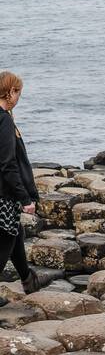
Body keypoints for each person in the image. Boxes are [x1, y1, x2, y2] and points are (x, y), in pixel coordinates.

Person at [0, 71, 44, 303]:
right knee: (5, 242)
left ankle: (28, 279)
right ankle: (29, 280)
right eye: (18, 92)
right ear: (11, 92)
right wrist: (25, 198)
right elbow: (8, 164)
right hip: (4, 196)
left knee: (14, 234)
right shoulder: (4, 120)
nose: (19, 98)